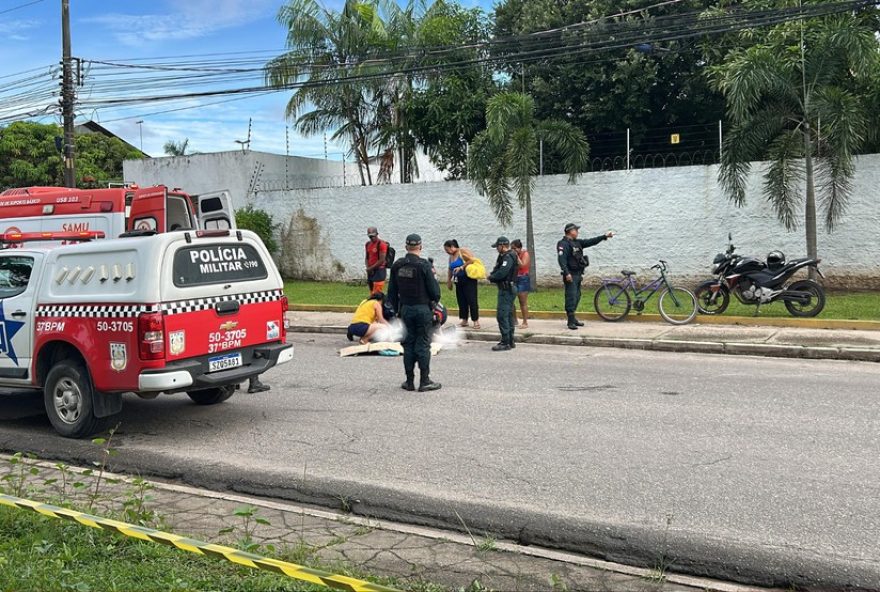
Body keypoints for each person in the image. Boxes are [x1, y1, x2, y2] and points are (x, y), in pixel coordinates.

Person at [387, 234, 442, 392]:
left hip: (405, 309)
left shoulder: (398, 265)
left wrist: (397, 311)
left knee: (408, 344)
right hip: (422, 309)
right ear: (421, 246)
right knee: (423, 344)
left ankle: (409, 381)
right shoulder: (424, 266)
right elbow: (435, 292)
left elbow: (391, 293)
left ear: (406, 247)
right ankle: (424, 381)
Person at [557, 222, 614, 330]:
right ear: (570, 231)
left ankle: (573, 318)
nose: (577, 232)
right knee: (571, 297)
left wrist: (604, 236)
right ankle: (570, 321)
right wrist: (566, 273)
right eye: (576, 230)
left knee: (577, 296)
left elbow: (590, 241)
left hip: (578, 274)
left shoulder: (577, 243)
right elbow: (561, 260)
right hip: (571, 275)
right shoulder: (563, 244)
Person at [487, 236, 518, 351]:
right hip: (506, 289)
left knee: (502, 315)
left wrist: (492, 277)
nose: (497, 249)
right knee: (508, 315)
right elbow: (497, 269)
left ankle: (505, 341)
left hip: (507, 290)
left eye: (498, 246)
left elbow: (502, 272)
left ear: (503, 246)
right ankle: (510, 340)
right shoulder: (504, 257)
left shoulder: (508, 257)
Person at [443, 239, 481, 329]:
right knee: (461, 300)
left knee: (471, 300)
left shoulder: (462, 251)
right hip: (458, 280)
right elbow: (450, 269)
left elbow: (472, 260)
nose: (447, 252)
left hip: (468, 279)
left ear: (452, 247)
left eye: (447, 250)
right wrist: (449, 281)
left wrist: (461, 267)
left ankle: (475, 320)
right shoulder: (451, 257)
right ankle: (464, 319)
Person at [511, 239, 531, 328]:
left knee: (522, 301)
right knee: (511, 300)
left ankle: (525, 322)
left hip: (523, 278)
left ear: (519, 248)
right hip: (514, 278)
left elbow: (523, 265)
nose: (513, 250)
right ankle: (514, 320)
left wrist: (516, 257)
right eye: (512, 248)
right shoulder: (512, 255)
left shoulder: (525, 254)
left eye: (515, 248)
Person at [364, 227, 388, 295]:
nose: (371, 238)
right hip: (371, 271)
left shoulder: (381, 244)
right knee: (371, 292)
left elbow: (382, 260)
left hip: (379, 271)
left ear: (377, 234)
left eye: (373, 236)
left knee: (377, 293)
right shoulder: (368, 244)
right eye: (370, 236)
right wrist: (368, 267)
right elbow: (367, 257)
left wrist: (370, 268)